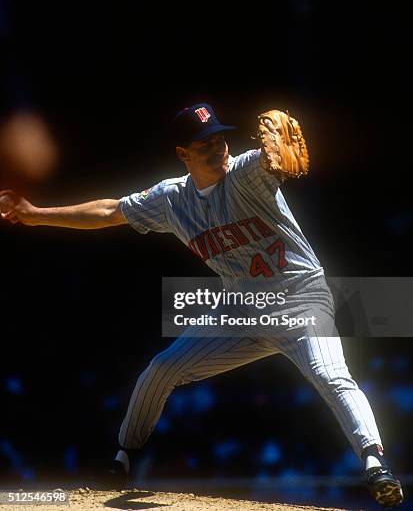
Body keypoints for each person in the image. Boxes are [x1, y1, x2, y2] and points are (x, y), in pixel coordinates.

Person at [0, 104, 403, 508]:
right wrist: (36, 215)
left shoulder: (246, 172)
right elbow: (108, 212)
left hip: (301, 299)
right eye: (204, 144)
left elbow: (269, 164)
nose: (217, 149)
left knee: (329, 372)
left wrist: (271, 160)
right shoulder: (172, 199)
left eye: (220, 139)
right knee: (162, 368)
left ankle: (375, 464)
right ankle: (123, 457)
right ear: (182, 154)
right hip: (241, 310)